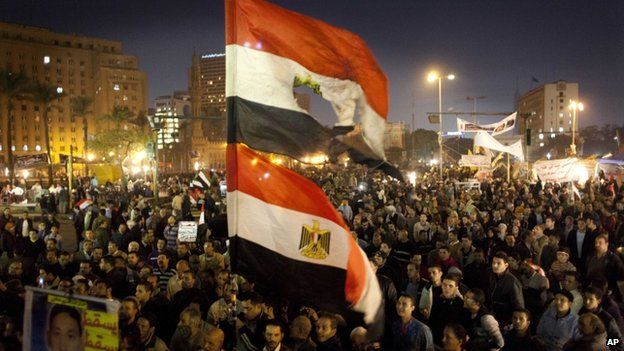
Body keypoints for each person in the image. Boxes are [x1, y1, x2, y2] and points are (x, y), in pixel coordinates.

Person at [489, 251, 524, 327]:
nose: (495, 265)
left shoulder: (512, 281)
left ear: (506, 265)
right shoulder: (493, 276)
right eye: (493, 263)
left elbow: (519, 305)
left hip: (506, 320)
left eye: (498, 263)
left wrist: (514, 323)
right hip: (495, 316)